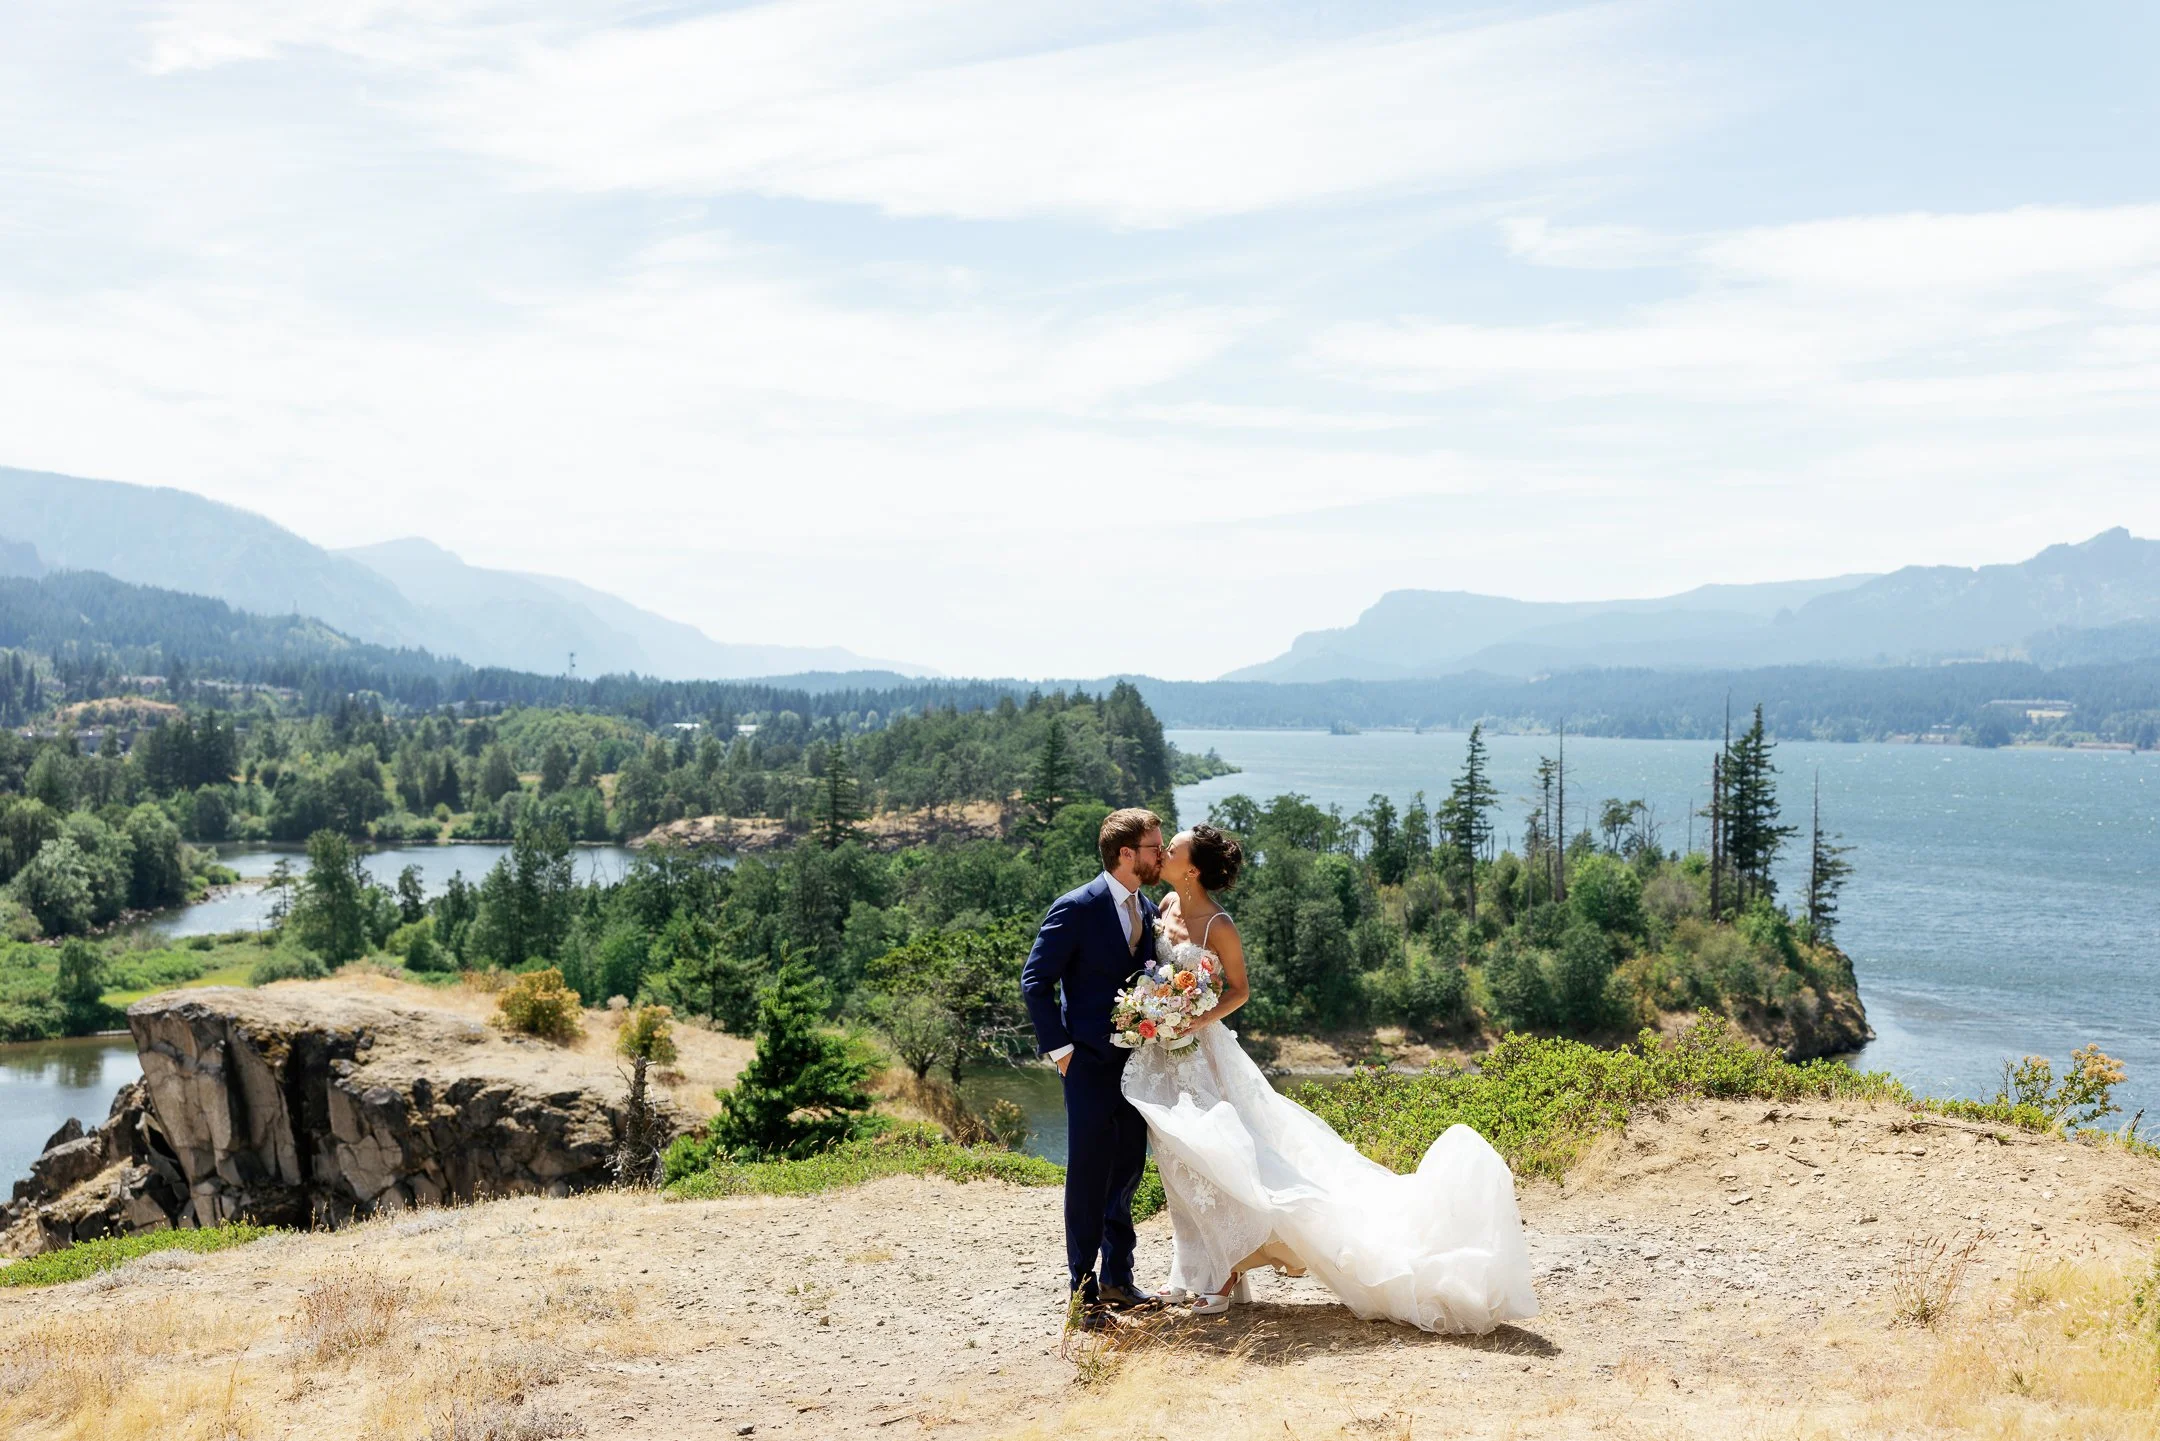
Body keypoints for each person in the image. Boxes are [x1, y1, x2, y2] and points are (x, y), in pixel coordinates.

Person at [1122, 824, 1540, 1332]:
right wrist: (1155, 1009)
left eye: (1174, 847)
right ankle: (1193, 1269)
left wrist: (1190, 1018)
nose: (1164, 851)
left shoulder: (1219, 925)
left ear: (1193, 867)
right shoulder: (1164, 906)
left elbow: (1239, 991)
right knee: (1179, 1159)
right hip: (1167, 1056)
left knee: (1224, 1159)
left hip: (1205, 1054)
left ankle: (1224, 1275)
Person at [1019, 807, 1165, 1326]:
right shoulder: (1075, 907)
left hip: (1136, 1064)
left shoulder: (1148, 909)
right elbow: (1034, 981)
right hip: (1085, 1063)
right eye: (1155, 848)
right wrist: (1062, 1052)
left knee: (1128, 1167)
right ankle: (1082, 1295)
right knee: (1087, 1174)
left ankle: (1118, 1279)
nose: (1161, 855)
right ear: (1126, 854)